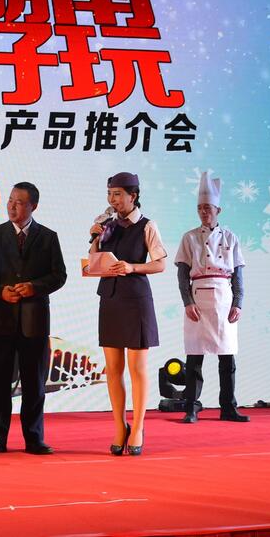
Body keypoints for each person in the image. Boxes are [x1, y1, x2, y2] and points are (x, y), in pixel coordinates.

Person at [0, 182, 67, 456]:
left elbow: (59, 275)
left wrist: (35, 287)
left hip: (34, 322)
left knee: (34, 384)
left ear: (33, 206)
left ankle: (34, 439)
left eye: (20, 202)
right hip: (0, 319)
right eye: (10, 200)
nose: (12, 206)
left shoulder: (48, 237)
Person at [90, 172, 167, 456]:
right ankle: (119, 427)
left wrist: (133, 267)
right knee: (113, 369)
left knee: (137, 369)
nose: (113, 199)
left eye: (118, 194)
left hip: (136, 300)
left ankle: (138, 428)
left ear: (133, 196)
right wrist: (95, 237)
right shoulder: (106, 224)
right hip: (110, 299)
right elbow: (94, 262)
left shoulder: (147, 225)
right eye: (110, 194)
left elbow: (160, 264)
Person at [174, 172, 249, 423]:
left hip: (223, 297)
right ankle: (192, 407)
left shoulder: (230, 237)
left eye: (207, 207)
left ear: (218, 210)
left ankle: (228, 407)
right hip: (198, 296)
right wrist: (187, 302)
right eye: (200, 208)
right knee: (194, 357)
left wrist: (238, 302)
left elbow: (238, 274)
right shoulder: (189, 237)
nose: (203, 212)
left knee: (227, 357)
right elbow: (182, 274)